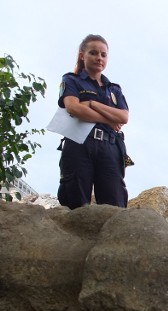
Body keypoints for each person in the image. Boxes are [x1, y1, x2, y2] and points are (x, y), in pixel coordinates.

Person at [57, 34, 129, 209]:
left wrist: (92, 103)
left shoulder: (113, 89)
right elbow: (74, 108)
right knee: (76, 202)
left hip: (110, 147)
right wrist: (108, 119)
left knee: (114, 205)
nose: (99, 58)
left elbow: (123, 117)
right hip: (79, 144)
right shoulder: (71, 80)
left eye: (103, 55)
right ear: (83, 55)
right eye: (93, 53)